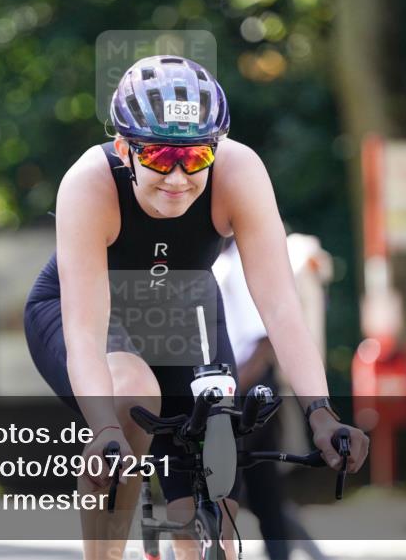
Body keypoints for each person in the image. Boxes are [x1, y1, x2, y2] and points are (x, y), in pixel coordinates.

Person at [24, 55, 369, 560]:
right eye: (162, 158)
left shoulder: (240, 172)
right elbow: (84, 330)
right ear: (125, 148)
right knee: (132, 394)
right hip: (83, 313)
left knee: (215, 496)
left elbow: (280, 308)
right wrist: (103, 430)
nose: (180, 177)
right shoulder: (89, 184)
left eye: (196, 158)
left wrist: (321, 413)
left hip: (183, 313)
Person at [214, 234, 333, 560]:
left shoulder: (244, 260)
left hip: (245, 389)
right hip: (235, 386)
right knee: (260, 488)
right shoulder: (220, 259)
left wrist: (235, 389)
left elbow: (263, 340)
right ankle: (293, 548)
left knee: (229, 487)